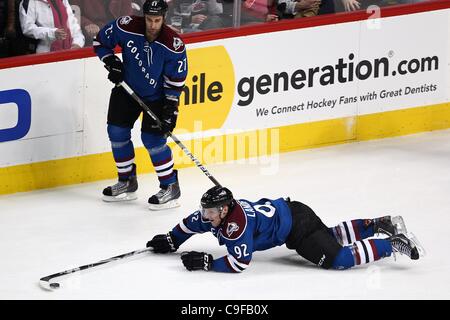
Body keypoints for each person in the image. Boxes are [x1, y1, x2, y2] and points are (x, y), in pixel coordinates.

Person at [146, 186, 423, 272]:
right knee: (330, 236)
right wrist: (172, 239)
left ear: (224, 210)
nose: (205, 217)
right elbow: (188, 225)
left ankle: (393, 242)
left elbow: (240, 263)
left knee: (338, 259)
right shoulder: (214, 215)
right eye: (204, 211)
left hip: (296, 229)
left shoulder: (236, 226)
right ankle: (379, 224)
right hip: (295, 210)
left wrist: (208, 263)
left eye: (210, 212)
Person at [93, 0, 188, 210]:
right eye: (149, 20)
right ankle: (126, 181)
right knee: (116, 132)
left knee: (152, 140)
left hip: (157, 97)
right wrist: (111, 62)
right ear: (142, 16)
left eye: (157, 20)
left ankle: (170, 186)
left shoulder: (173, 44)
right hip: (127, 88)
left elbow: (176, 80)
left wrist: (170, 109)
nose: (153, 25)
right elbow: (100, 42)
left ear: (164, 18)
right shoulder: (126, 26)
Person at [19, 0, 85, 53]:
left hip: (69, 53)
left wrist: (77, 43)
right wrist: (52, 33)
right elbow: (27, 28)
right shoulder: (29, 2)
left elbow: (73, 26)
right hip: (45, 55)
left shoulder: (63, 1)